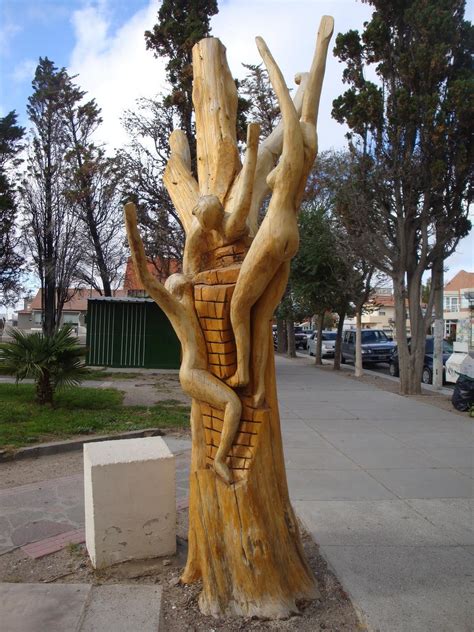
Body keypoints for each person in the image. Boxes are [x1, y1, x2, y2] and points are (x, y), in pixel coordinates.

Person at [125, 202, 241, 484]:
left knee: (215, 412)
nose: (187, 283)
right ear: (175, 291)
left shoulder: (191, 302)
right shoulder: (176, 309)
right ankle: (220, 460)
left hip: (202, 370)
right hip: (192, 373)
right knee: (233, 406)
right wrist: (132, 228)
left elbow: (195, 270)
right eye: (182, 283)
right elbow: (145, 277)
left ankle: (213, 457)